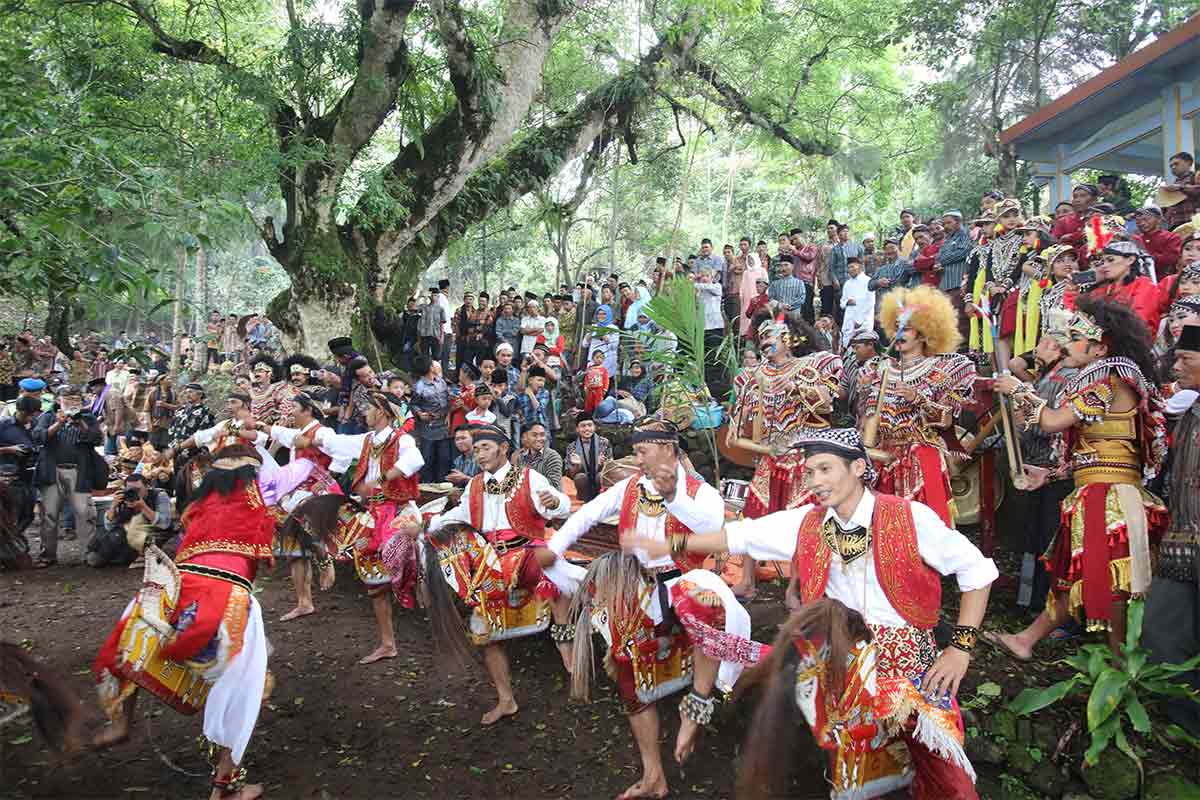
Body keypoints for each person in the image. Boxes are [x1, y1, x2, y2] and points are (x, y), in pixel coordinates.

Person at [664, 428, 995, 800]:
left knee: (952, 784)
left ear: (857, 468)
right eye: (809, 472)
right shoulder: (808, 522)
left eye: (825, 469)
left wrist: (960, 649)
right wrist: (671, 542)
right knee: (851, 778)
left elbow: (978, 572)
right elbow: (739, 536)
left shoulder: (909, 518)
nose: (815, 481)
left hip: (910, 674)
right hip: (842, 671)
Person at [92, 444, 329, 800]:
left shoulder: (198, 504)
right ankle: (225, 786)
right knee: (248, 686)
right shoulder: (261, 496)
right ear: (252, 475)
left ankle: (120, 722)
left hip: (177, 585)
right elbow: (301, 477)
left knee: (133, 636)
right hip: (226, 593)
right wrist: (322, 556)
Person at [542, 420, 758, 800]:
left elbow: (711, 527)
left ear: (667, 449)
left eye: (642, 451)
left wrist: (673, 496)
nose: (637, 458)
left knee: (706, 605)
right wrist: (554, 547)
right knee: (626, 668)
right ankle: (653, 774)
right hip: (637, 585)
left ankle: (699, 703)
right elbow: (586, 514)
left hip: (683, 583)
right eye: (636, 451)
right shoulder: (630, 487)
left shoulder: (701, 492)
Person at [992, 296, 1166, 656]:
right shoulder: (1108, 378)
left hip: (1110, 495)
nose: (1065, 344)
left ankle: (1121, 667)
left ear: (1100, 347)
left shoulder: (1109, 379)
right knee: (1078, 572)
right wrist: (1051, 473)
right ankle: (1027, 641)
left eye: (1075, 338)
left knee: (1110, 581)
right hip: (1099, 490)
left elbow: (1052, 420)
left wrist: (1019, 389)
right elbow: (1096, 449)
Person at [423, 425, 574, 725]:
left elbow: (561, 503)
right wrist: (427, 526)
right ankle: (506, 700)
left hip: (527, 550)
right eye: (476, 449)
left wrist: (556, 503)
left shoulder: (529, 477)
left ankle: (566, 646)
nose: (479, 454)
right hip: (491, 561)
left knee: (556, 574)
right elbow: (458, 516)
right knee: (484, 632)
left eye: (485, 448)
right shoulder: (475, 485)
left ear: (504, 449)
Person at [726, 311, 841, 598]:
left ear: (788, 338)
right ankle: (748, 580)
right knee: (753, 517)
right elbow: (741, 419)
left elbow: (827, 404)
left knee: (803, 521)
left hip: (802, 458)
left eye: (770, 334)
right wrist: (738, 423)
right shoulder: (752, 376)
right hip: (769, 457)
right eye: (760, 337)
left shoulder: (810, 366)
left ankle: (795, 588)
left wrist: (797, 388)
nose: (763, 340)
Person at [857, 285, 975, 528]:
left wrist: (917, 398)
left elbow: (946, 421)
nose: (899, 332)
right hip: (882, 459)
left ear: (923, 334)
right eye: (896, 326)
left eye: (907, 328)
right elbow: (865, 421)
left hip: (920, 458)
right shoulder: (878, 368)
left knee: (924, 529)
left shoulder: (942, 369)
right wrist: (865, 393)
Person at [1142, 324, 1200, 736]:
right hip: (1181, 544)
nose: (1175, 367)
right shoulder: (1190, 410)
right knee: (1162, 632)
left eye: (1186, 359)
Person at [251, 393, 348, 622]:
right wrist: (258, 426)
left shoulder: (323, 433)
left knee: (295, 513)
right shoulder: (297, 434)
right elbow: (276, 433)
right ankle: (304, 602)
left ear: (307, 410)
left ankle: (324, 558)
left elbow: (343, 455)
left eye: (293, 407)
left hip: (319, 494)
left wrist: (327, 478)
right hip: (299, 494)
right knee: (293, 549)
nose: (289, 412)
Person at [32, 386, 103, 568]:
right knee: (49, 514)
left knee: (85, 513)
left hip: (79, 472)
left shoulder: (87, 417)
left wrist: (81, 424)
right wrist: (58, 423)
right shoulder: (48, 416)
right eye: (68, 399)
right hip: (51, 471)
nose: (72, 403)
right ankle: (47, 554)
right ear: (58, 401)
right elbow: (38, 437)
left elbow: (97, 439)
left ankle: (89, 553)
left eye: (76, 399)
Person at [87, 473, 172, 568]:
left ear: (147, 487)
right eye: (130, 490)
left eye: (138, 489)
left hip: (152, 534)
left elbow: (164, 524)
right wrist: (113, 507)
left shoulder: (159, 495)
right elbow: (109, 526)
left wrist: (143, 507)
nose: (134, 492)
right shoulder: (123, 497)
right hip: (126, 534)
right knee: (97, 552)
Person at [1087, 241, 1164, 333]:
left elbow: (1137, 321)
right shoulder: (1103, 288)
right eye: (1103, 262)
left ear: (1130, 260)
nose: (1104, 266)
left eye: (1110, 260)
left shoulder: (1145, 285)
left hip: (1134, 338)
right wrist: (1075, 290)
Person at [409, 354, 451, 483]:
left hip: (443, 425)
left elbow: (447, 399)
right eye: (433, 364)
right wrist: (420, 413)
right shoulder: (419, 387)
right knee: (427, 458)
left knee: (444, 458)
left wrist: (449, 412)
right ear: (430, 368)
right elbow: (413, 404)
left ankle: (443, 483)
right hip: (428, 427)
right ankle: (427, 484)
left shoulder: (441, 382)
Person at [564, 411, 611, 502]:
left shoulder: (604, 443)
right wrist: (576, 466)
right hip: (583, 482)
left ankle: (602, 501)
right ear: (577, 429)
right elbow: (570, 474)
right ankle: (584, 502)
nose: (587, 429)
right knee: (580, 477)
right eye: (583, 426)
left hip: (599, 480)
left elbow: (611, 468)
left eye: (589, 425)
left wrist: (602, 464)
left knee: (601, 476)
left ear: (594, 427)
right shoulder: (572, 447)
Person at [1133, 206, 1182, 279]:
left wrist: (1147, 257)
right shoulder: (1136, 239)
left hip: (1164, 280)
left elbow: (1170, 259)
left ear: (1159, 219)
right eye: (1138, 221)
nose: (1142, 223)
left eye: (1146, 219)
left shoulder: (1172, 237)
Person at [515, 420, 563, 490]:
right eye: (534, 435)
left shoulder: (553, 456)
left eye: (542, 435)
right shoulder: (520, 457)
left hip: (548, 495)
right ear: (526, 436)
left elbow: (553, 484)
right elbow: (513, 482)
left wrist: (527, 482)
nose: (538, 439)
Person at [838, 258, 875, 349]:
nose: (850, 269)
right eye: (848, 268)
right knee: (846, 346)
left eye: (852, 267)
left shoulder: (868, 281)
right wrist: (847, 302)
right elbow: (842, 302)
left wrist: (859, 320)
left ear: (860, 267)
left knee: (862, 346)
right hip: (849, 321)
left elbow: (870, 303)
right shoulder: (847, 283)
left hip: (864, 322)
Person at [1163, 151, 1200, 231]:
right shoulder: (1173, 184)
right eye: (1171, 166)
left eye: (1176, 164)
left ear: (1188, 163)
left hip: (1193, 224)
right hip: (1174, 227)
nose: (1173, 167)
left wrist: (1180, 187)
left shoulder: (1196, 176)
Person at [418, 286, 448, 363]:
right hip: (424, 336)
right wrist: (421, 296)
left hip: (436, 336)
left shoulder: (441, 309)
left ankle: (436, 370)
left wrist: (442, 336)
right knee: (424, 357)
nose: (434, 297)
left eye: (435, 295)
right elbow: (413, 308)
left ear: (438, 296)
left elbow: (442, 324)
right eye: (432, 295)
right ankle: (425, 370)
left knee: (436, 357)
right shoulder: (423, 307)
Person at [581, 348, 610, 413]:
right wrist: (586, 387)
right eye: (597, 357)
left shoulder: (604, 370)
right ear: (592, 358)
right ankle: (588, 415)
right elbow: (586, 378)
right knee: (588, 404)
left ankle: (597, 416)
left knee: (598, 405)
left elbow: (606, 380)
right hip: (590, 390)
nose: (599, 359)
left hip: (599, 390)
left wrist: (605, 390)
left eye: (601, 358)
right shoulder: (589, 369)